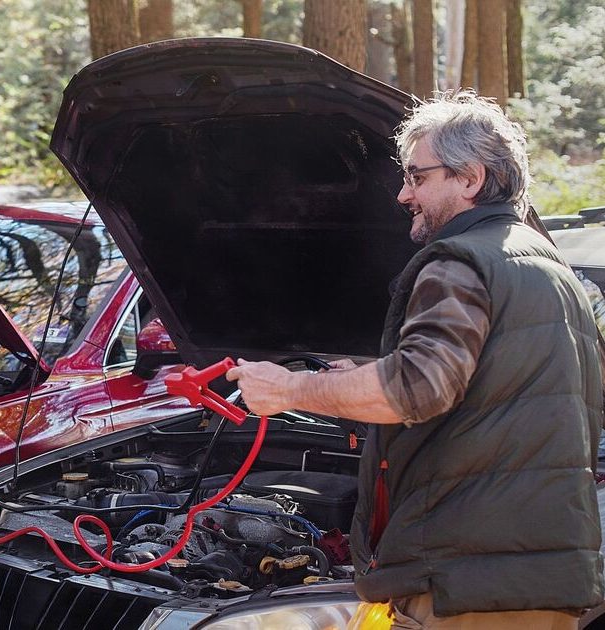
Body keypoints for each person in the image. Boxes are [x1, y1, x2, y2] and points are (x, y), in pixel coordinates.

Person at [228, 91, 604, 629]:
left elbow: (418, 389)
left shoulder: (461, 260)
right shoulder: (548, 267)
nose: (403, 194)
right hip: (536, 575)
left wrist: (289, 390)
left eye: (417, 177)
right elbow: (499, 386)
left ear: (470, 178)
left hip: (465, 580)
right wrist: (360, 375)